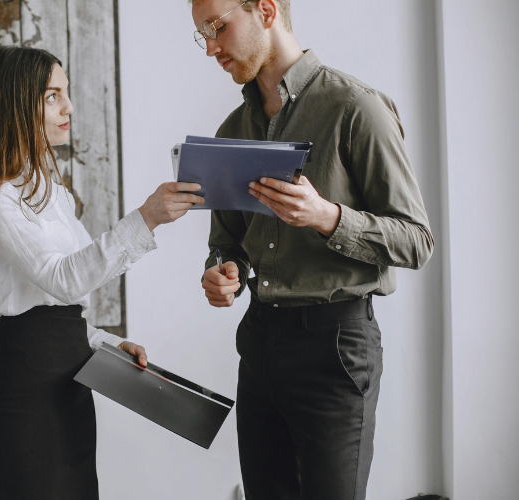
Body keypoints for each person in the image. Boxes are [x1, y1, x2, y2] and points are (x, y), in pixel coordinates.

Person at [190, 1, 434, 498]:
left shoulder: (356, 108)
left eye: (218, 27)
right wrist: (223, 273)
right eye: (202, 35)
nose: (212, 47)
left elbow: (416, 240)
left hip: (336, 349)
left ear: (265, 10)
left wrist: (327, 216)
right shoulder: (231, 133)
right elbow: (227, 244)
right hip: (259, 344)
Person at [0, 45, 205, 499]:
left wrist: (105, 343)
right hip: (24, 399)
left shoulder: (53, 194)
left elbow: (62, 302)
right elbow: (63, 279)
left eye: (65, 94)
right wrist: (146, 216)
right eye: (52, 96)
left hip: (69, 389)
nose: (68, 107)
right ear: (15, 103)